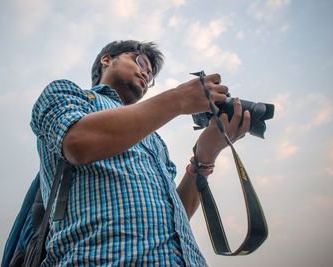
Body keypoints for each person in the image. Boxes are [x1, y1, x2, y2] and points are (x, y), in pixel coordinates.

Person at [30, 40, 250, 266]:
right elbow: (78, 142)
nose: (146, 73)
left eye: (151, 74)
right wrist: (179, 98)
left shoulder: (154, 140)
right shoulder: (68, 94)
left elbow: (177, 215)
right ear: (107, 60)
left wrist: (204, 158)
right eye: (141, 62)